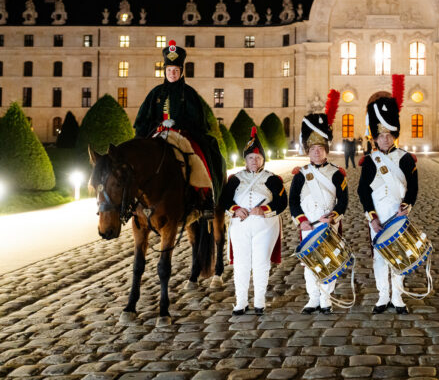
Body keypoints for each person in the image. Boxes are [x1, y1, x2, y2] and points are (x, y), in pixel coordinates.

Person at [134, 40, 225, 218]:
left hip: (183, 135)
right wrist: (158, 126)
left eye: (176, 70)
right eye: (169, 70)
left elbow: (198, 121)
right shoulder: (155, 93)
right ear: (165, 71)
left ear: (181, 72)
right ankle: (134, 199)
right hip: (158, 135)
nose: (172, 74)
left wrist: (178, 124)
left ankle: (206, 196)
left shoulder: (189, 93)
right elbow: (142, 120)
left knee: (202, 153)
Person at [358, 85, 419, 314]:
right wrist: (371, 217)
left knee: (399, 255)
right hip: (378, 216)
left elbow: (413, 188)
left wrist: (407, 206)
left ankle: (398, 297)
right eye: (381, 136)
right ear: (376, 137)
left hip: (398, 214)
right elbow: (363, 191)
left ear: (394, 135)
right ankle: (383, 296)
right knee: (380, 258)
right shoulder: (370, 160)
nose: (384, 139)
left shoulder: (406, 159)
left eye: (388, 135)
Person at [290, 91, 348, 314]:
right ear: (308, 151)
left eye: (320, 149)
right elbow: (293, 200)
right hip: (308, 224)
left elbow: (343, 200)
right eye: (313, 149)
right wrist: (301, 220)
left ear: (326, 150)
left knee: (328, 261)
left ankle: (326, 299)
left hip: (328, 222)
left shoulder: (336, 173)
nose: (316, 152)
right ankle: (312, 298)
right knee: (309, 263)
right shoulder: (300, 174)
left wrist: (333, 216)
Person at [218, 127, 286, 315]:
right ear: (245, 160)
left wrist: (264, 209)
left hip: (265, 226)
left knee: (261, 262)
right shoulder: (235, 179)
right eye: (250, 158)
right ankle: (240, 301)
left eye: (257, 158)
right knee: (241, 263)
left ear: (263, 159)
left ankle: (259, 301)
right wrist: (235, 209)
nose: (254, 161)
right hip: (240, 226)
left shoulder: (272, 179)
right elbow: (224, 200)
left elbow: (282, 202)